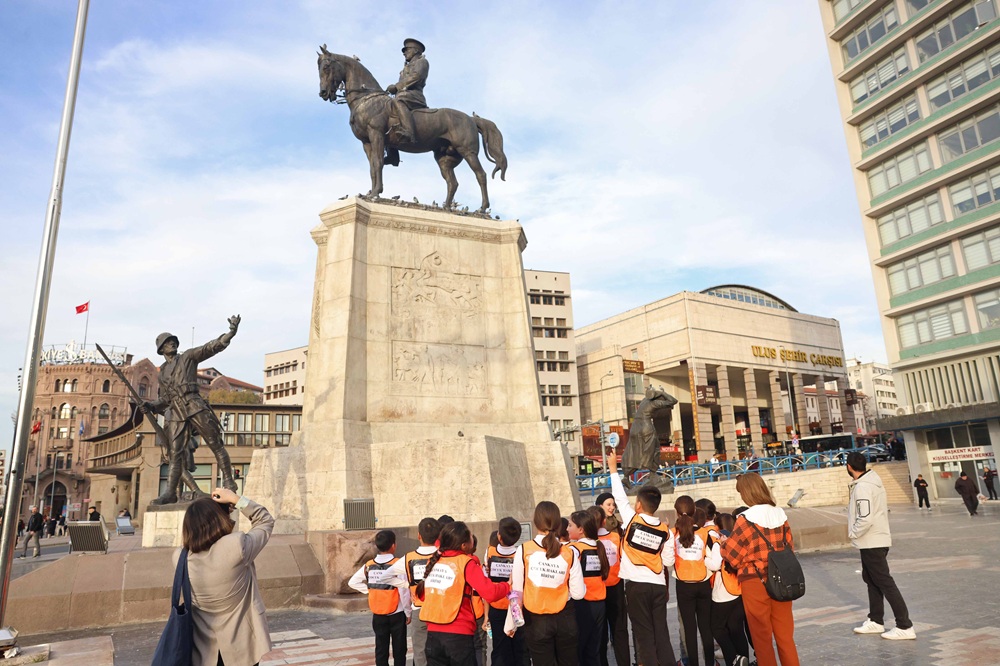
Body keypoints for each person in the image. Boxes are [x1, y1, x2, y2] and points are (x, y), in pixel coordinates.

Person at [143, 318, 241, 504]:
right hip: (178, 411)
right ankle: (170, 492)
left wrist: (229, 334)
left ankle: (229, 481)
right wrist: (151, 406)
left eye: (173, 341)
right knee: (176, 453)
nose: (171, 343)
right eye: (167, 342)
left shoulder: (187, 357)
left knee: (215, 443)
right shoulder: (162, 372)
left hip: (194, 404)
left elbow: (209, 348)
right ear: (161, 349)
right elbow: (165, 399)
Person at [179, 487, 274, 666]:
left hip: (203, 652)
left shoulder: (181, 558)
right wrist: (236, 499)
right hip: (242, 648)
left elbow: (195, 541)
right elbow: (265, 520)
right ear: (219, 520)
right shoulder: (236, 547)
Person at [607, 446, 678, 665]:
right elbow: (667, 562)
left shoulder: (632, 520)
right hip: (657, 585)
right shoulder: (665, 531)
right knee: (661, 634)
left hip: (636, 586)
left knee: (643, 636)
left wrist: (612, 469)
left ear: (638, 504)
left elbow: (619, 498)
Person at [721, 472, 801, 665]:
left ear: (747, 493)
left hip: (754, 581)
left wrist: (723, 543)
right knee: (785, 636)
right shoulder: (780, 514)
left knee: (761, 638)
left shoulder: (745, 519)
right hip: (781, 579)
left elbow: (732, 555)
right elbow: (789, 546)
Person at [417, 521, 510, 666]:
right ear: (464, 545)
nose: (473, 538)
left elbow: (422, 596)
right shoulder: (466, 563)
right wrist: (507, 585)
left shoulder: (434, 561)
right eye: (470, 536)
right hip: (458, 635)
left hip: (433, 636)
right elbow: (490, 593)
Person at [845, 451, 914, 640]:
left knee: (884, 581)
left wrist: (853, 532)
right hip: (874, 539)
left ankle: (904, 625)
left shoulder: (863, 488)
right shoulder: (871, 482)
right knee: (871, 579)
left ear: (849, 467)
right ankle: (876, 620)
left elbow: (864, 517)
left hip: (872, 540)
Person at [510, 501, 585, 666]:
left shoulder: (524, 550)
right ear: (559, 524)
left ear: (535, 522)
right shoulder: (569, 553)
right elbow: (579, 594)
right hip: (566, 617)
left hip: (536, 620)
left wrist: (512, 622)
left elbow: (516, 591)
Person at [349, 530, 411, 666]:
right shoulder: (397, 564)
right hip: (397, 612)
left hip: (378, 613)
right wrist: (408, 611)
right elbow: (404, 590)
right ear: (394, 545)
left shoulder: (369, 565)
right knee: (399, 649)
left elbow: (353, 582)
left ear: (377, 546)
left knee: (381, 648)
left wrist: (369, 591)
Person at [391, 517, 440, 666]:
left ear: (419, 535)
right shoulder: (444, 556)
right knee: (440, 650)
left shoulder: (409, 558)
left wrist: (408, 585)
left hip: (419, 608)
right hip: (440, 609)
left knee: (420, 651)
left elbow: (386, 576)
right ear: (438, 536)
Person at [673, 496, 714, 666]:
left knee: (689, 630)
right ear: (695, 511)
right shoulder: (705, 534)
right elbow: (713, 558)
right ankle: (710, 663)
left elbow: (668, 560)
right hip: (703, 584)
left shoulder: (673, 534)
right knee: (706, 628)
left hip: (683, 585)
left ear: (677, 511)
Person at [706, 513, 749, 666]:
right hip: (738, 590)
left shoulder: (720, 542)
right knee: (737, 629)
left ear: (718, 526)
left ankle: (733, 659)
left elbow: (715, 565)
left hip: (722, 593)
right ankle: (743, 658)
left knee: (717, 628)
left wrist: (705, 558)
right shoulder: (738, 540)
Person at [567, 510, 609, 666]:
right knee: (594, 651)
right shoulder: (599, 547)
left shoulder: (575, 549)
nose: (566, 528)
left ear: (581, 529)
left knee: (579, 650)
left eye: (570, 525)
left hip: (582, 604)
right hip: (599, 605)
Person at [483, 518, 524, 666]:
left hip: (496, 605)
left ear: (499, 536)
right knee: (518, 647)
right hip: (515, 608)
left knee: (500, 647)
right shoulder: (521, 553)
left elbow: (485, 576)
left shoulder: (490, 552)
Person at [593, 503, 629, 666]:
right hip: (616, 588)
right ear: (603, 521)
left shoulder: (587, 543)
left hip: (595, 591)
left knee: (599, 634)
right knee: (620, 631)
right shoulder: (616, 537)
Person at [385, 37, 429, 163]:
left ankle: (409, 132)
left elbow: (417, 76)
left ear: (415, 51)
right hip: (403, 94)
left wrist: (396, 87)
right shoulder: (405, 68)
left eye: (407, 50)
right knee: (386, 113)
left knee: (397, 101)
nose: (404, 53)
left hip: (414, 96)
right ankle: (392, 154)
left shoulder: (422, 62)